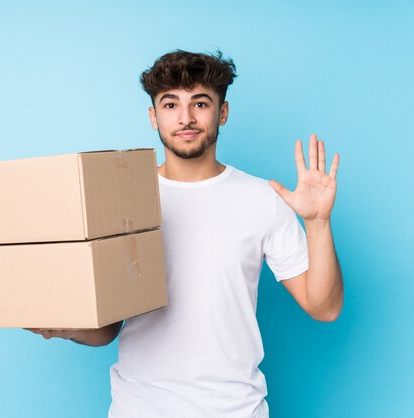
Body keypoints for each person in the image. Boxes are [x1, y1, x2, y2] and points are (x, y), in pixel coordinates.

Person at [26, 50, 343, 417]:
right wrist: (63, 327)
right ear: (153, 116)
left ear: (222, 113)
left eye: (201, 103)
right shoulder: (122, 200)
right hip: (139, 409)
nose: (186, 118)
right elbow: (107, 328)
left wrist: (318, 223)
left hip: (234, 410)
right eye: (171, 104)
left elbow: (325, 307)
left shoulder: (263, 200)